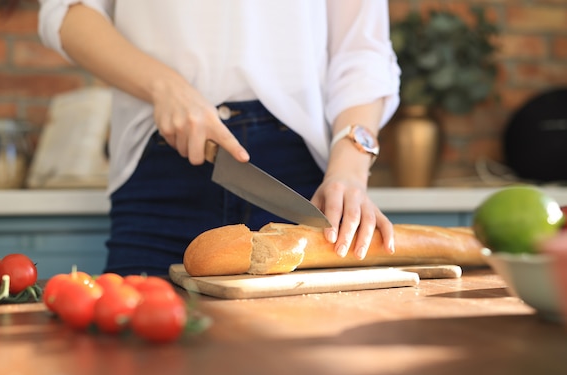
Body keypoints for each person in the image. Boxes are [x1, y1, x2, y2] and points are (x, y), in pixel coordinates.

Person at [38, 1, 401, 276]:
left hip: (298, 183)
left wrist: (350, 169)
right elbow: (68, 11)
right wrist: (165, 87)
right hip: (160, 168)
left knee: (298, 371)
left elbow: (363, 51)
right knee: (134, 365)